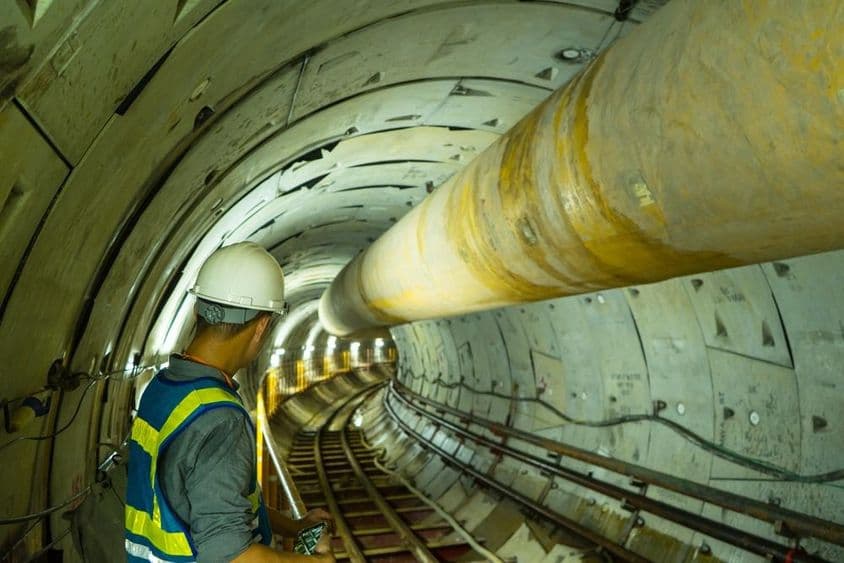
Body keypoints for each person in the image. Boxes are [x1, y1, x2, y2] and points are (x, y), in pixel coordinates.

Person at [124, 242, 334, 562]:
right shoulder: (221, 419)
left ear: (197, 311)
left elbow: (212, 505)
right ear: (261, 327)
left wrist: (294, 526)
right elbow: (233, 556)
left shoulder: (163, 389)